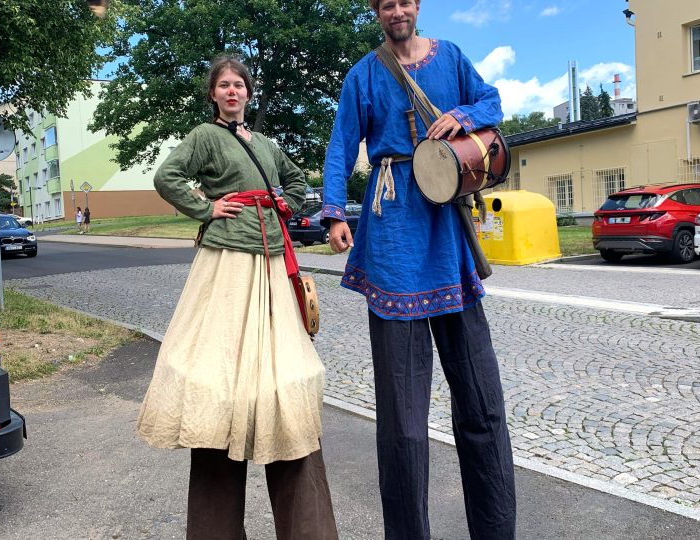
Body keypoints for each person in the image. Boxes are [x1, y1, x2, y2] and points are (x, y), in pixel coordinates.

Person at [322, 1, 516, 538]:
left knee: (482, 406)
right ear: (377, 11)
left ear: (417, 6)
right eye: (388, 4)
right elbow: (341, 144)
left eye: (405, 1)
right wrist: (334, 210)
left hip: (449, 234)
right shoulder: (364, 74)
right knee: (404, 427)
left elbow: (492, 100)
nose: (398, 11)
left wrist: (466, 116)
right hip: (391, 240)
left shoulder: (451, 56)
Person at [137, 55, 338, 540]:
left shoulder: (266, 144)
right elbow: (167, 176)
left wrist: (285, 205)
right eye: (224, 85)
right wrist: (206, 207)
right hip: (225, 263)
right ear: (213, 94)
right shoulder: (205, 138)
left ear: (249, 93)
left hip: (271, 267)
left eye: (239, 85)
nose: (232, 92)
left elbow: (296, 183)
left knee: (282, 381)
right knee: (218, 382)